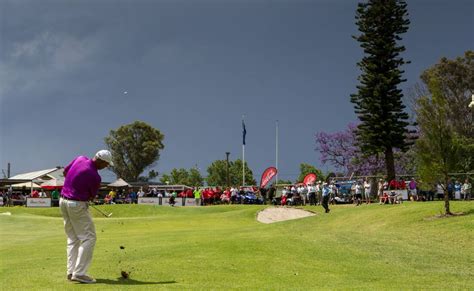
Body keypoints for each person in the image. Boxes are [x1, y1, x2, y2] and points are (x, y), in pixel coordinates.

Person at [60, 150, 113, 284]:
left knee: (73, 238)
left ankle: (71, 271)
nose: (106, 167)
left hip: (63, 201)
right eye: (106, 164)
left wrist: (74, 185)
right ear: (100, 161)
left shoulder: (79, 158)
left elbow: (65, 173)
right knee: (89, 237)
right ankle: (80, 273)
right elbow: (91, 196)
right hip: (76, 205)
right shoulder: (95, 176)